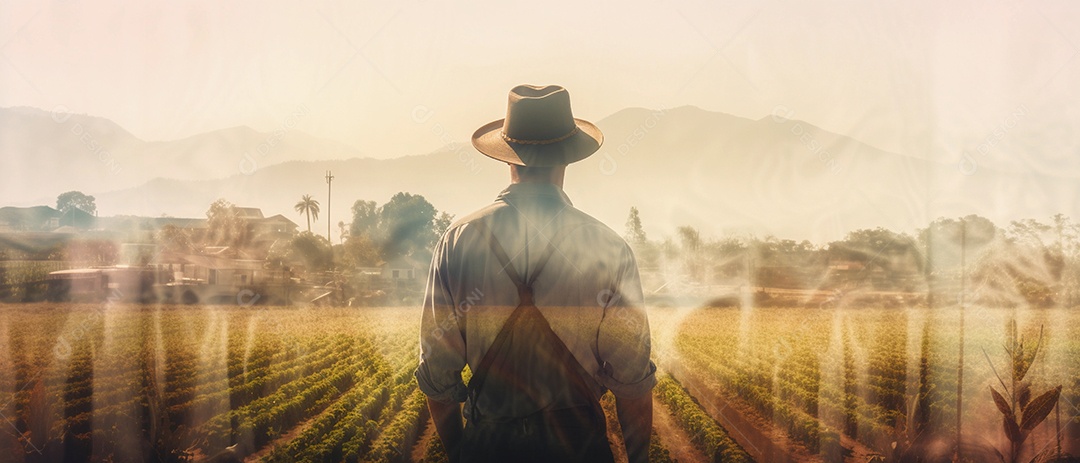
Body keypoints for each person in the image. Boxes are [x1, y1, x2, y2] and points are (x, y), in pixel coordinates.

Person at [415, 84, 656, 463]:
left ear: (507, 156)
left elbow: (438, 377)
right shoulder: (608, 248)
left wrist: (462, 453)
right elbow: (633, 382)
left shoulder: (458, 241)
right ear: (568, 159)